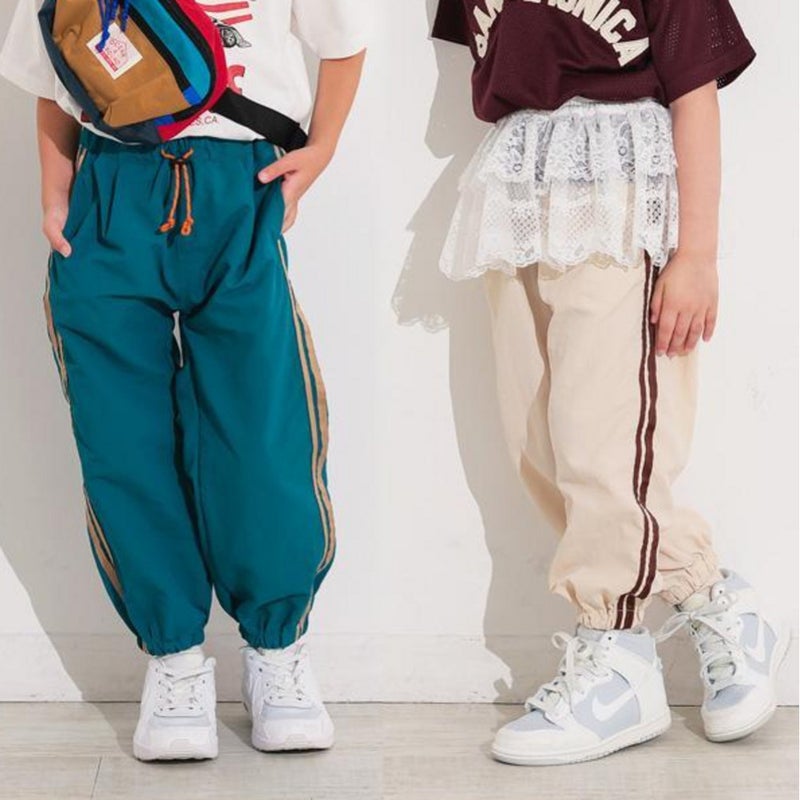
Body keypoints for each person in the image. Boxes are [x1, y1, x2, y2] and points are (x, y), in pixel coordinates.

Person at [0, 0, 366, 762]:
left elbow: (346, 37)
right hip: (110, 189)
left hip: (241, 182)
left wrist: (323, 149)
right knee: (121, 438)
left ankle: (276, 651)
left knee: (259, 432)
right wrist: (55, 192)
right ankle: (173, 660)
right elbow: (55, 74)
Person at [431, 0, 787, 766]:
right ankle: (712, 598)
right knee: (540, 443)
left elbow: (695, 93)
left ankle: (619, 660)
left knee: (604, 440)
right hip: (521, 182)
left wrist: (697, 255)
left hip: (621, 184)